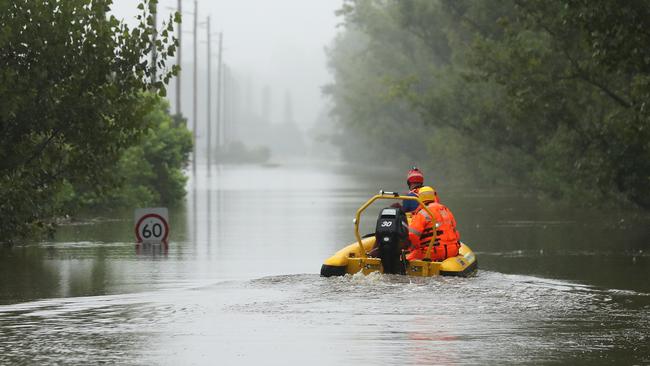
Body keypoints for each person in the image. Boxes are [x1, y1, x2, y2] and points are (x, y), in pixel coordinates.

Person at [406, 186, 460, 261]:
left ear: (420, 197)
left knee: (405, 260)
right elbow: (455, 231)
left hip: (433, 252)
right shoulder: (445, 209)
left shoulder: (422, 212)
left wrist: (415, 247)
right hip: (452, 251)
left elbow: (412, 235)